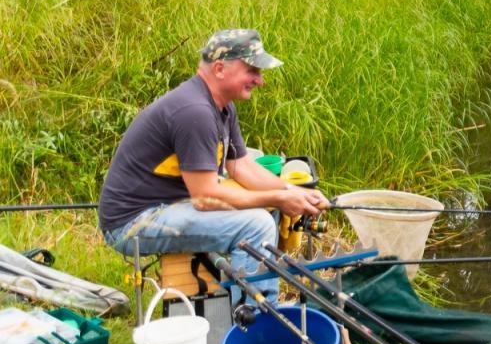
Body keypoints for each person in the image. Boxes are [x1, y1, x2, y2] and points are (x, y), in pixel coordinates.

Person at [99, 30, 329, 301]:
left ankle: (240, 303)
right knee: (256, 225)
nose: (260, 80)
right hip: (132, 223)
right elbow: (205, 198)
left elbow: (241, 167)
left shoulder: (222, 106)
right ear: (220, 68)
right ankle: (255, 320)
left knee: (267, 209)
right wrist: (278, 198)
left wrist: (293, 191)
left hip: (168, 205)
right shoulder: (194, 112)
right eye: (252, 70)